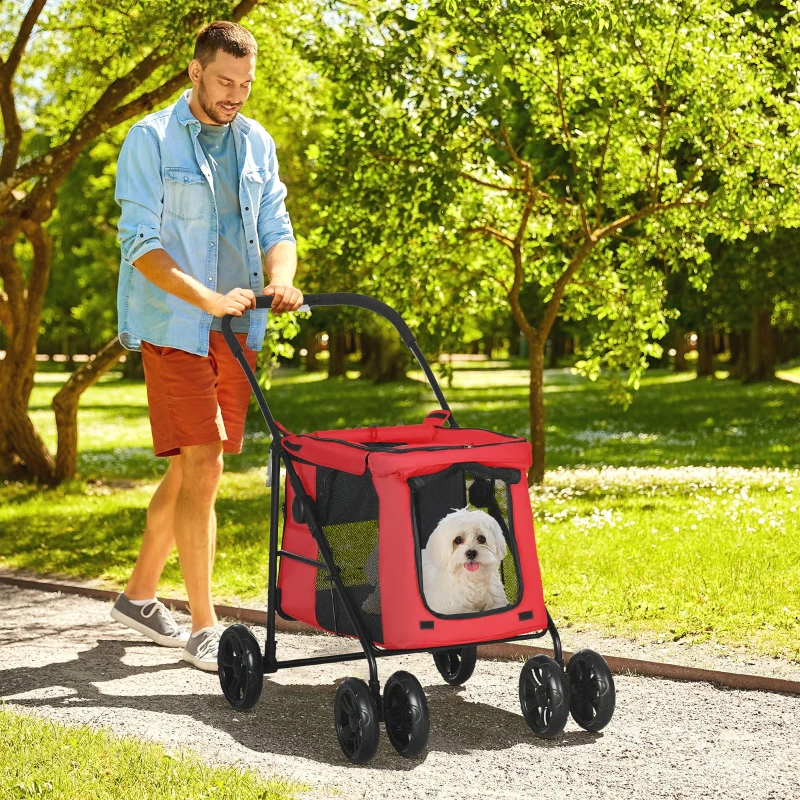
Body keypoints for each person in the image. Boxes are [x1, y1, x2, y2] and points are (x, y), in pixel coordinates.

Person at [110, 21, 303, 671]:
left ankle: (138, 597)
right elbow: (141, 244)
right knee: (207, 466)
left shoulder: (254, 143)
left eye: (246, 85)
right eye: (225, 81)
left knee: (192, 465)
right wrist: (208, 300)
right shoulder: (151, 140)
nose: (236, 95)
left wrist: (280, 281)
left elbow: (276, 224)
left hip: (238, 330)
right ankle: (203, 625)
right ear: (196, 72)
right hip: (176, 327)